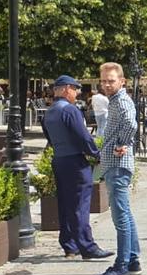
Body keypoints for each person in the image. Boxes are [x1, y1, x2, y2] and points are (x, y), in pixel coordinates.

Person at [42, 76, 111, 261]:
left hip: (59, 159)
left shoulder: (49, 112)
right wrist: (96, 154)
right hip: (75, 161)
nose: (77, 92)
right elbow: (83, 137)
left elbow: (48, 136)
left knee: (65, 204)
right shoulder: (70, 110)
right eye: (75, 88)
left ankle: (69, 244)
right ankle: (87, 247)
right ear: (65, 89)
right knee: (80, 204)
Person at [94, 63, 141, 275]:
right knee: (126, 214)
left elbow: (131, 124)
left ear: (122, 81)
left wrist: (122, 142)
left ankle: (121, 265)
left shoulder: (121, 101)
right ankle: (132, 259)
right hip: (116, 163)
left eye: (111, 80)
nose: (106, 84)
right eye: (103, 80)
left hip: (117, 163)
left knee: (120, 215)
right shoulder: (115, 101)